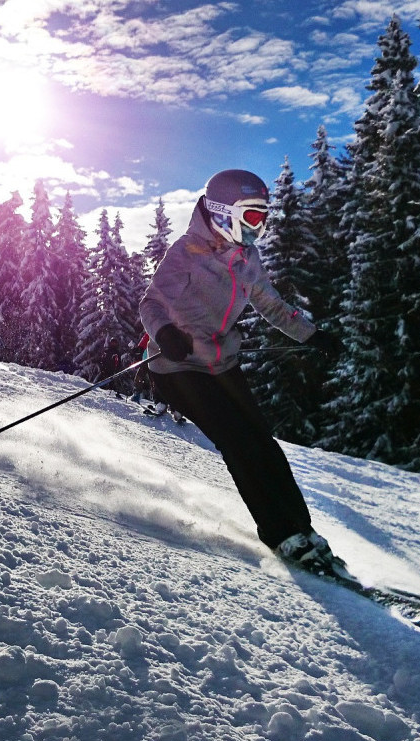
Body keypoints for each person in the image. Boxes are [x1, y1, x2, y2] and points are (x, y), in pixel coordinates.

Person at [138, 169, 345, 573]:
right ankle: (280, 534)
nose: (259, 227)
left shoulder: (247, 257)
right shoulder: (185, 251)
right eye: (252, 217)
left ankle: (303, 530)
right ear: (221, 212)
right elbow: (151, 304)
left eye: (263, 218)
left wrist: (311, 335)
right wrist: (165, 332)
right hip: (177, 365)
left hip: (220, 362)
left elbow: (270, 305)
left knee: (263, 442)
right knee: (239, 442)